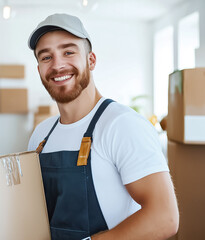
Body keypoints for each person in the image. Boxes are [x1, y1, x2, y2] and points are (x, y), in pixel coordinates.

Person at [27, 13, 179, 240]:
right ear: (39, 69)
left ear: (91, 60)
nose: (58, 65)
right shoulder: (41, 136)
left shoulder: (121, 125)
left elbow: (164, 217)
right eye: (46, 57)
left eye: (68, 52)